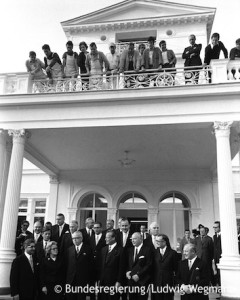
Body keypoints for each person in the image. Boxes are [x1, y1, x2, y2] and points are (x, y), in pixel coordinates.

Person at [65, 231, 94, 300]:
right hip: (71, 280)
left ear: (81, 238)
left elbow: (91, 266)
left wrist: (90, 282)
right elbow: (67, 265)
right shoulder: (69, 249)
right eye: (73, 238)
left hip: (83, 280)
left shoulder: (88, 249)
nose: (74, 240)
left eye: (77, 238)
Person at [126, 232, 152, 300]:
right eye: (132, 239)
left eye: (135, 239)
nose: (132, 240)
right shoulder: (129, 250)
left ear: (141, 239)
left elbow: (149, 265)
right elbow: (127, 264)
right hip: (131, 281)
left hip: (142, 281)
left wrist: (139, 275)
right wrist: (127, 272)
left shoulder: (148, 249)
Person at [99, 230, 125, 300]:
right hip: (103, 282)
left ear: (113, 238)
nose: (105, 239)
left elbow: (121, 267)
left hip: (114, 282)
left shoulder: (121, 250)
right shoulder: (103, 250)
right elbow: (101, 266)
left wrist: (119, 281)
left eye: (107, 237)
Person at [153, 234, 178, 300]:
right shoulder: (154, 253)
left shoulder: (173, 253)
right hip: (156, 282)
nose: (157, 242)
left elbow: (177, 269)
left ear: (164, 242)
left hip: (168, 282)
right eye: (156, 241)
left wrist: (175, 283)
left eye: (159, 241)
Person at [212, 221, 221, 286]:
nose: (214, 229)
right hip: (216, 257)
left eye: (216, 227)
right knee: (217, 273)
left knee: (221, 273)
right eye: (213, 227)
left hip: (222, 257)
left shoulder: (224, 236)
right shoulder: (214, 236)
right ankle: (220, 289)